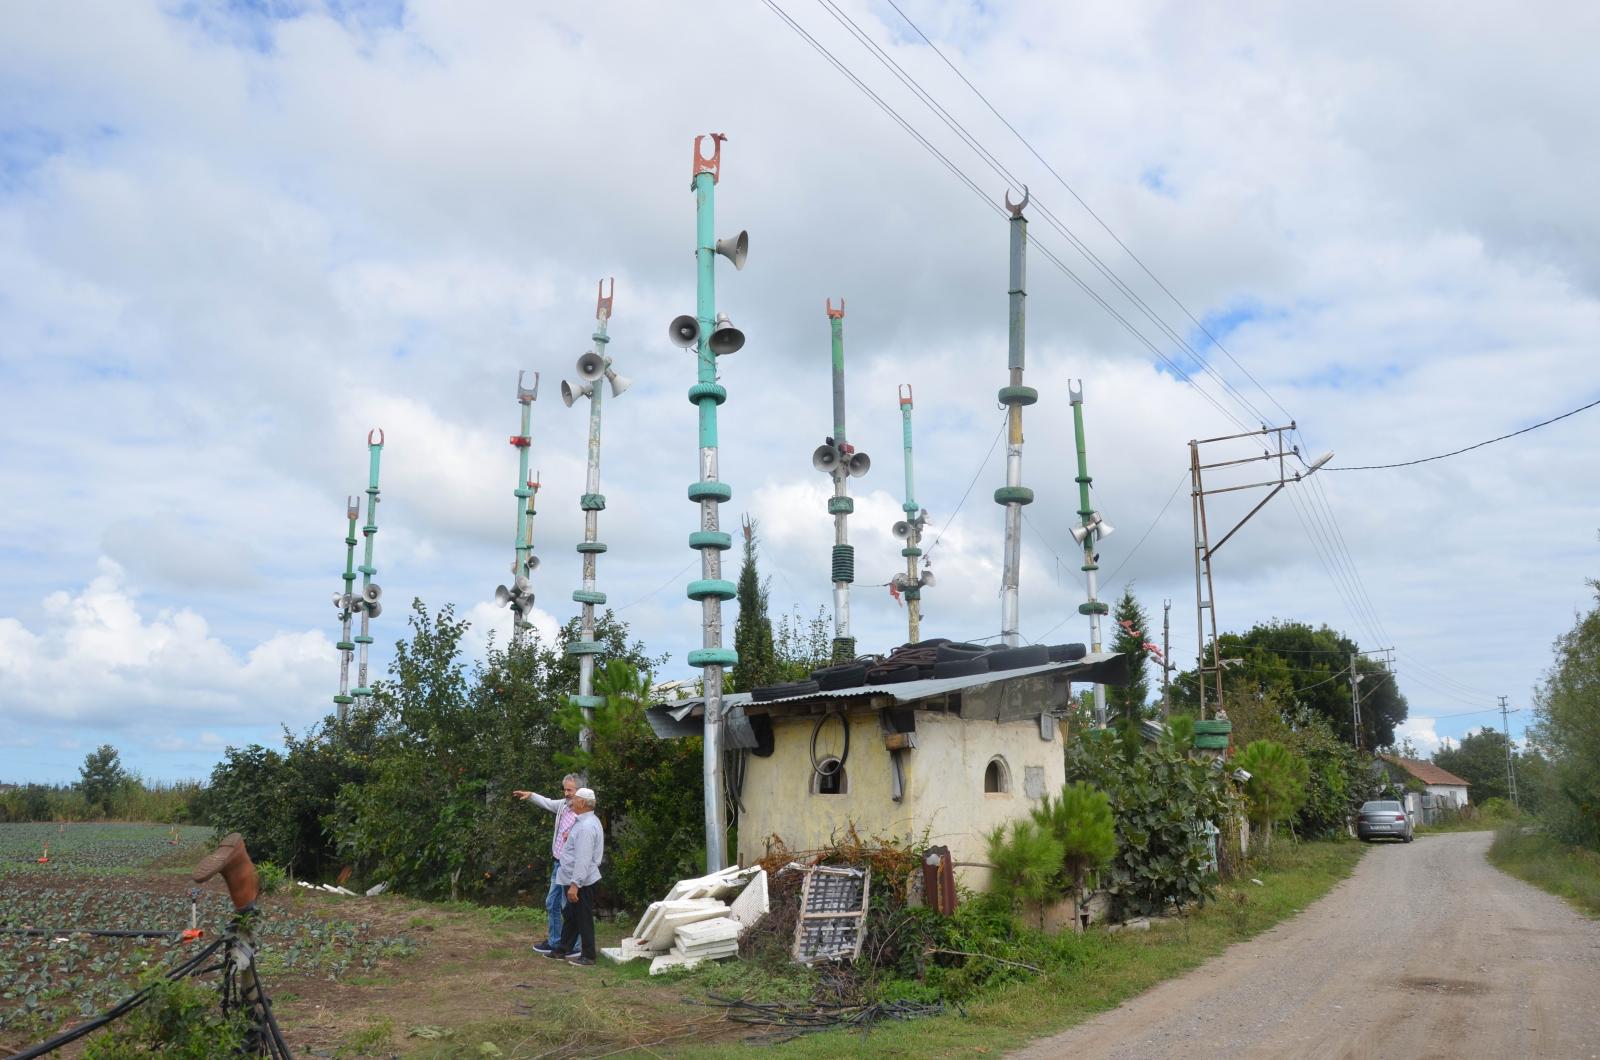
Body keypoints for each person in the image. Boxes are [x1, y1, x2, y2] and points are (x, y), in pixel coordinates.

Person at [511, 773, 579, 953]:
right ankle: (555, 941)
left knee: (568, 907)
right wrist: (531, 795)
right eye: (565, 789)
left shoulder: (582, 813)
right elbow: (547, 802)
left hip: (570, 867)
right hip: (558, 864)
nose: (566, 793)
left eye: (570, 790)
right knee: (552, 903)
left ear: (579, 791)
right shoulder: (563, 806)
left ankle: (575, 946)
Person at [543, 786, 603, 966]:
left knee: (583, 918)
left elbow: (583, 859)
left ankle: (589, 956)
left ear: (583, 803)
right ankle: (562, 949)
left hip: (582, 881)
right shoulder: (585, 822)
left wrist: (575, 885)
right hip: (579, 879)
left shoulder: (586, 826)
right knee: (571, 916)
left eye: (575, 799)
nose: (571, 801)